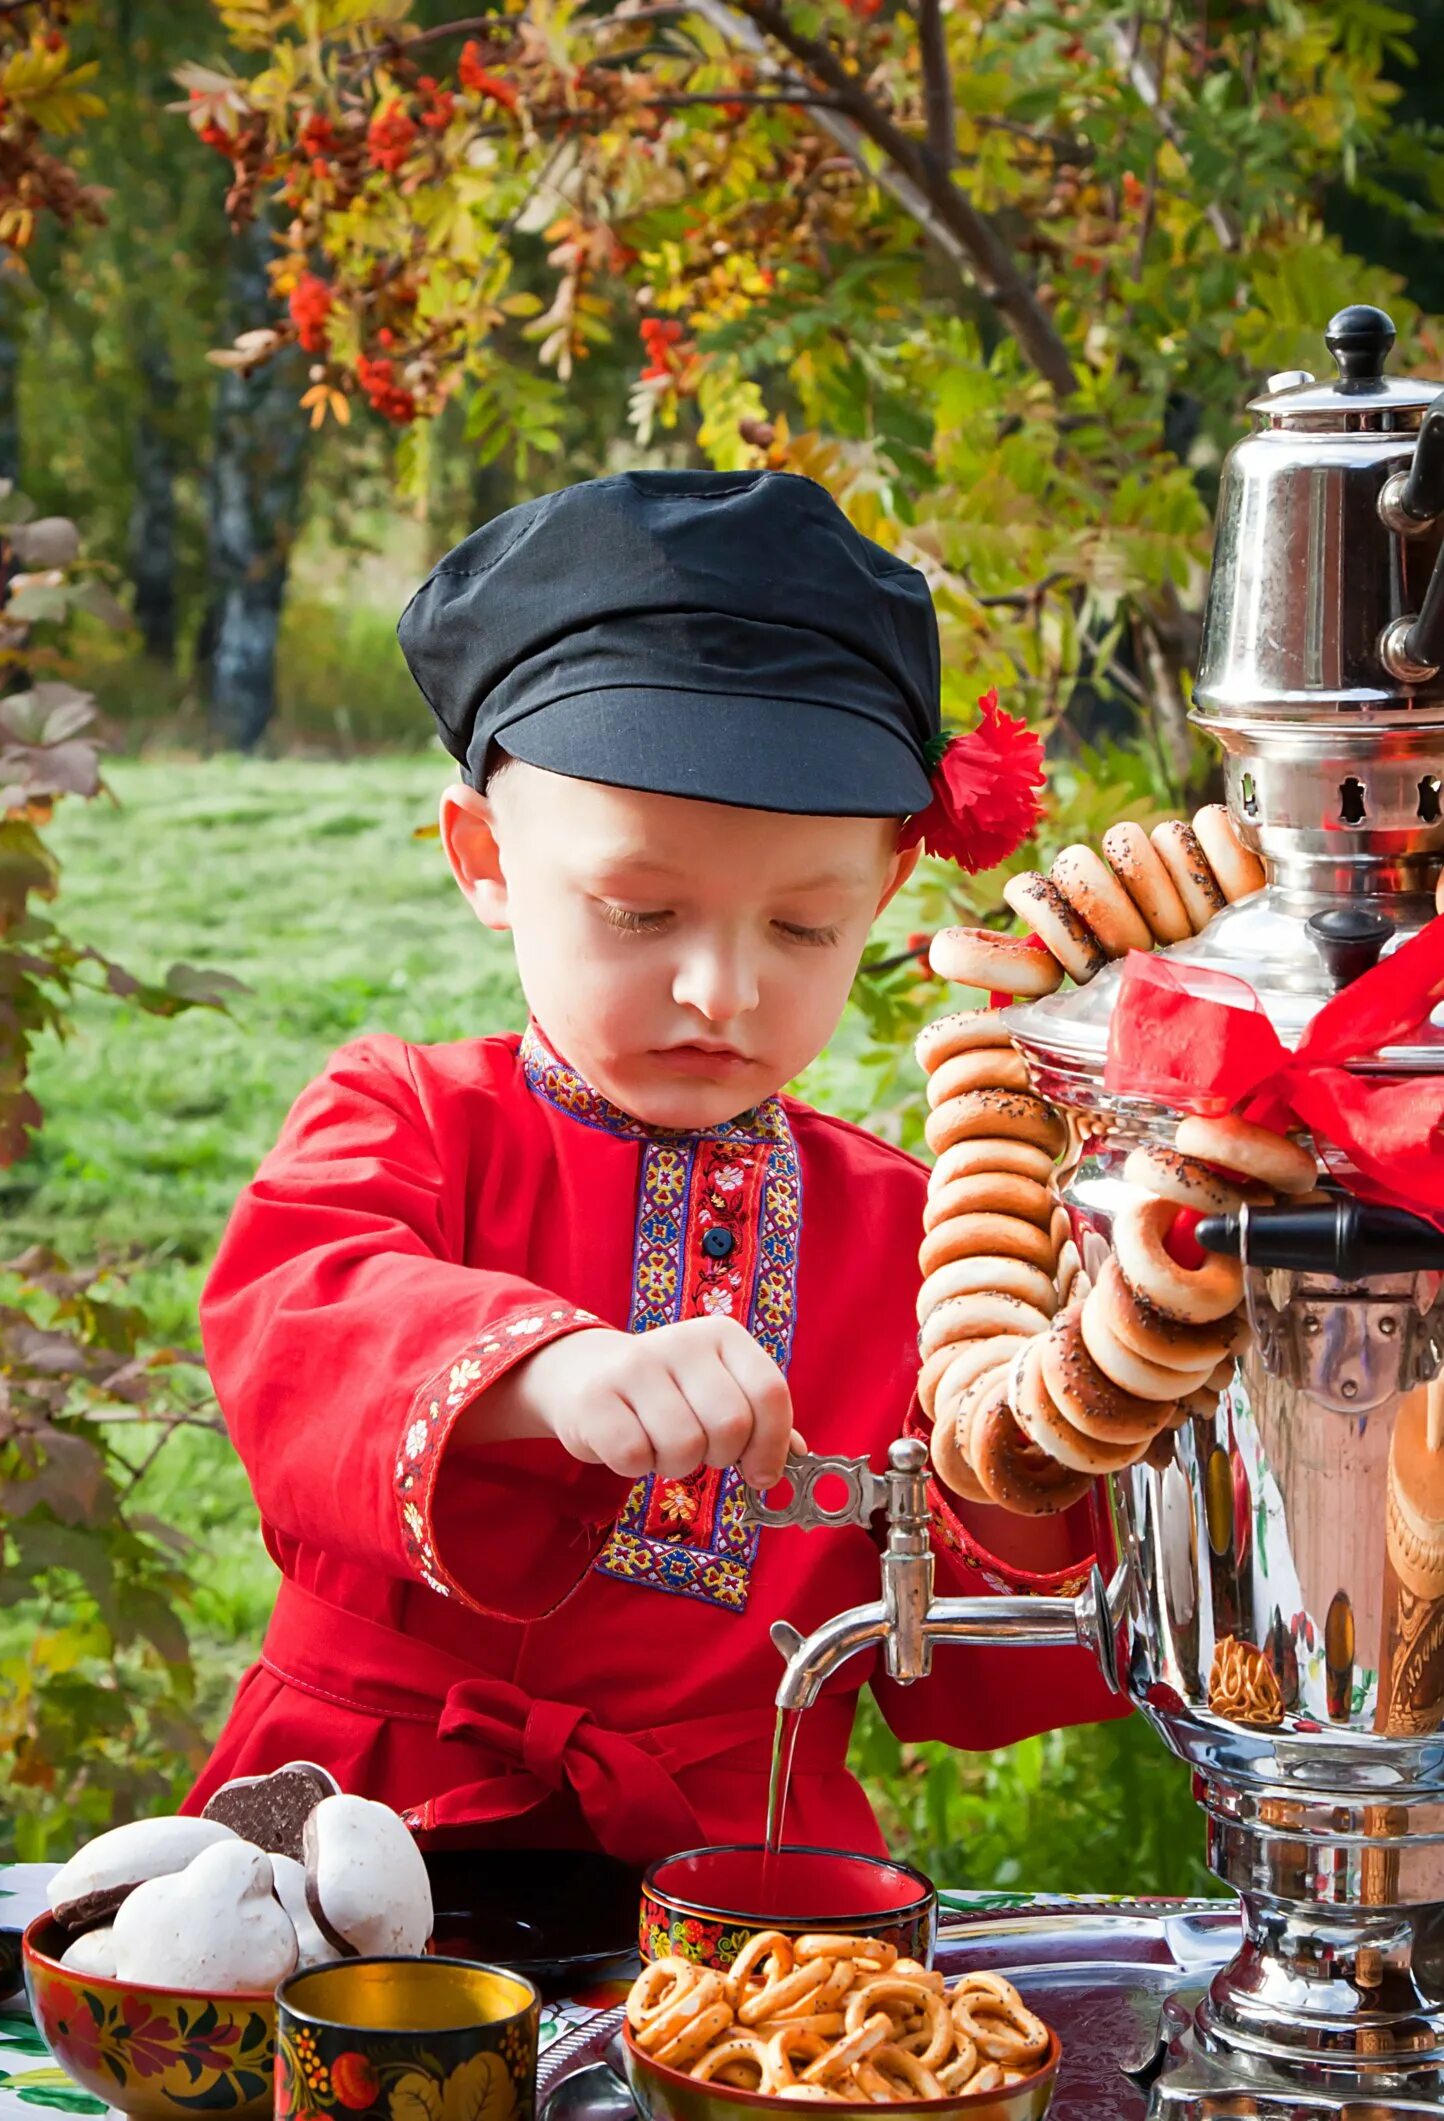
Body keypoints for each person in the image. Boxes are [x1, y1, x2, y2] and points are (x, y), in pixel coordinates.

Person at [185, 470, 1121, 1862]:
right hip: (357, 1828)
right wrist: (546, 1374)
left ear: (883, 893)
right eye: (641, 909)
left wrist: (1085, 1391)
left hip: (745, 1865)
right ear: (484, 856)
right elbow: (297, 1321)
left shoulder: (923, 1238)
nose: (722, 989)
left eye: (804, 930)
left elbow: (980, 1657)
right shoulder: (409, 1120)